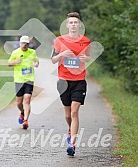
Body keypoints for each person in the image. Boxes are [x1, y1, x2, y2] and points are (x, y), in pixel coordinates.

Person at [51, 12, 90, 156]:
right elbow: (53, 60)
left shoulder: (86, 41)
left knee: (74, 112)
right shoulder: (59, 40)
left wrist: (86, 58)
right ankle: (70, 130)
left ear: (79, 25)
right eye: (71, 22)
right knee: (68, 115)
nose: (73, 25)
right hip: (63, 81)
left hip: (79, 80)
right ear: (67, 25)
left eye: (76, 22)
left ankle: (72, 144)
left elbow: (87, 58)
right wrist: (62, 55)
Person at [8, 35, 39, 129]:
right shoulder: (15, 52)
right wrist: (16, 62)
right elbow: (9, 63)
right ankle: (22, 112)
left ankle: (25, 120)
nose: (24, 45)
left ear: (28, 44)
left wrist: (36, 63)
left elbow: (36, 61)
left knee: (27, 99)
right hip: (19, 80)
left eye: (26, 43)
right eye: (23, 43)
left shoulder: (32, 52)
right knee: (19, 102)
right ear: (20, 43)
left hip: (29, 79)